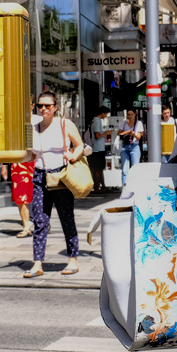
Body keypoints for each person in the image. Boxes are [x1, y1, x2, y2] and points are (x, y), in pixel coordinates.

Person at [24, 91, 83, 278]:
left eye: (47, 106)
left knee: (67, 218)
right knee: (40, 221)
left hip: (61, 176)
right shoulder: (33, 127)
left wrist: (73, 156)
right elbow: (31, 153)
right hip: (40, 176)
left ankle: (73, 259)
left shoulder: (65, 124)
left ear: (55, 107)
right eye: (40, 106)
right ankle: (37, 263)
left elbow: (80, 145)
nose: (43, 109)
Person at [88, 106, 112, 192]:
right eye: (106, 114)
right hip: (98, 149)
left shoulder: (95, 121)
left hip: (97, 148)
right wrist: (106, 133)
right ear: (102, 113)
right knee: (98, 169)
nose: (106, 116)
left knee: (100, 168)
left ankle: (103, 186)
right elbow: (97, 135)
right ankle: (97, 187)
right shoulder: (97, 121)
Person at [116, 108, 143, 183]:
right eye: (128, 114)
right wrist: (128, 132)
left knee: (135, 170)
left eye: (132, 114)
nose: (130, 116)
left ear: (135, 114)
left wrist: (133, 134)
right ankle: (124, 187)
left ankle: (134, 187)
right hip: (125, 146)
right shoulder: (124, 123)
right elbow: (119, 134)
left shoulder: (138, 123)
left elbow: (138, 137)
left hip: (134, 146)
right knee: (125, 171)